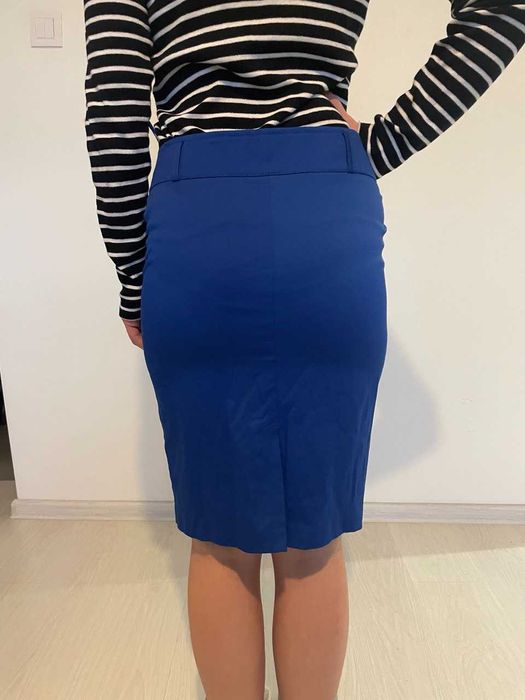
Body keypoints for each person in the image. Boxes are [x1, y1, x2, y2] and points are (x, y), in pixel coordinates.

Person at [82, 2, 524, 699]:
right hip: (325, 202)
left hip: (196, 212)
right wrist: (380, 142)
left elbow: (113, 115)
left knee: (219, 539)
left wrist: (136, 281)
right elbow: (498, 11)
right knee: (313, 534)